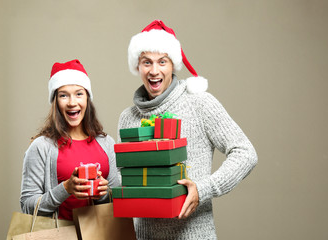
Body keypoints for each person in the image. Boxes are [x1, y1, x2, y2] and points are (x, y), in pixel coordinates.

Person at [118, 20, 258, 239]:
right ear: (138, 66)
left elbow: (246, 153)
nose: (154, 71)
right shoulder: (128, 118)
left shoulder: (200, 103)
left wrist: (203, 189)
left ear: (173, 64)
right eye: (147, 62)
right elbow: (127, 177)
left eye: (162, 62)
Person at [20, 59, 120, 221]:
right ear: (55, 102)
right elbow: (27, 205)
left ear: (87, 98)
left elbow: (118, 200)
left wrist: (102, 194)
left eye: (79, 94)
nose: (72, 103)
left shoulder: (107, 143)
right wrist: (66, 188)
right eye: (63, 95)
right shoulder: (42, 146)